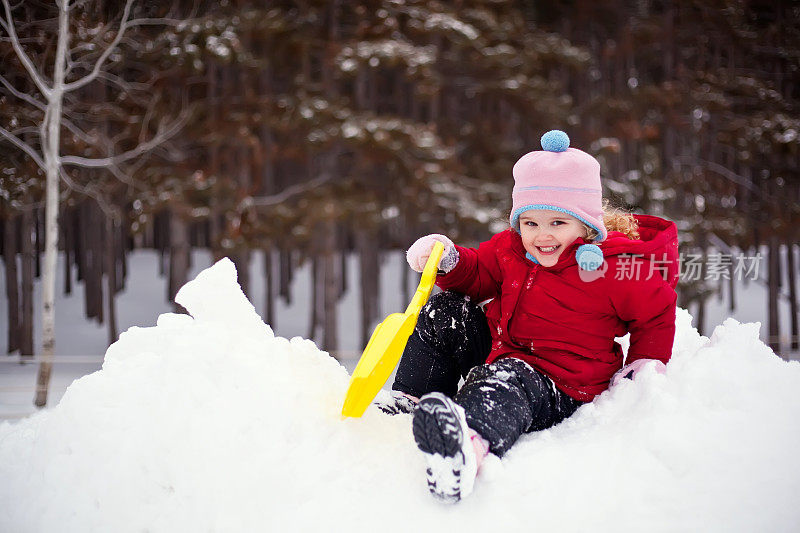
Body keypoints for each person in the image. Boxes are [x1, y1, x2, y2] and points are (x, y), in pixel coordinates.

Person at [381, 130, 679, 503]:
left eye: (558, 223)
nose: (542, 236)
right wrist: (450, 260)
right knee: (447, 311)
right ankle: (414, 400)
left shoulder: (610, 268)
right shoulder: (511, 249)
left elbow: (656, 312)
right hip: (504, 351)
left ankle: (465, 447)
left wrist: (644, 362)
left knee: (507, 381)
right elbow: (477, 277)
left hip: (561, 382)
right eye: (531, 223)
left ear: (586, 225)